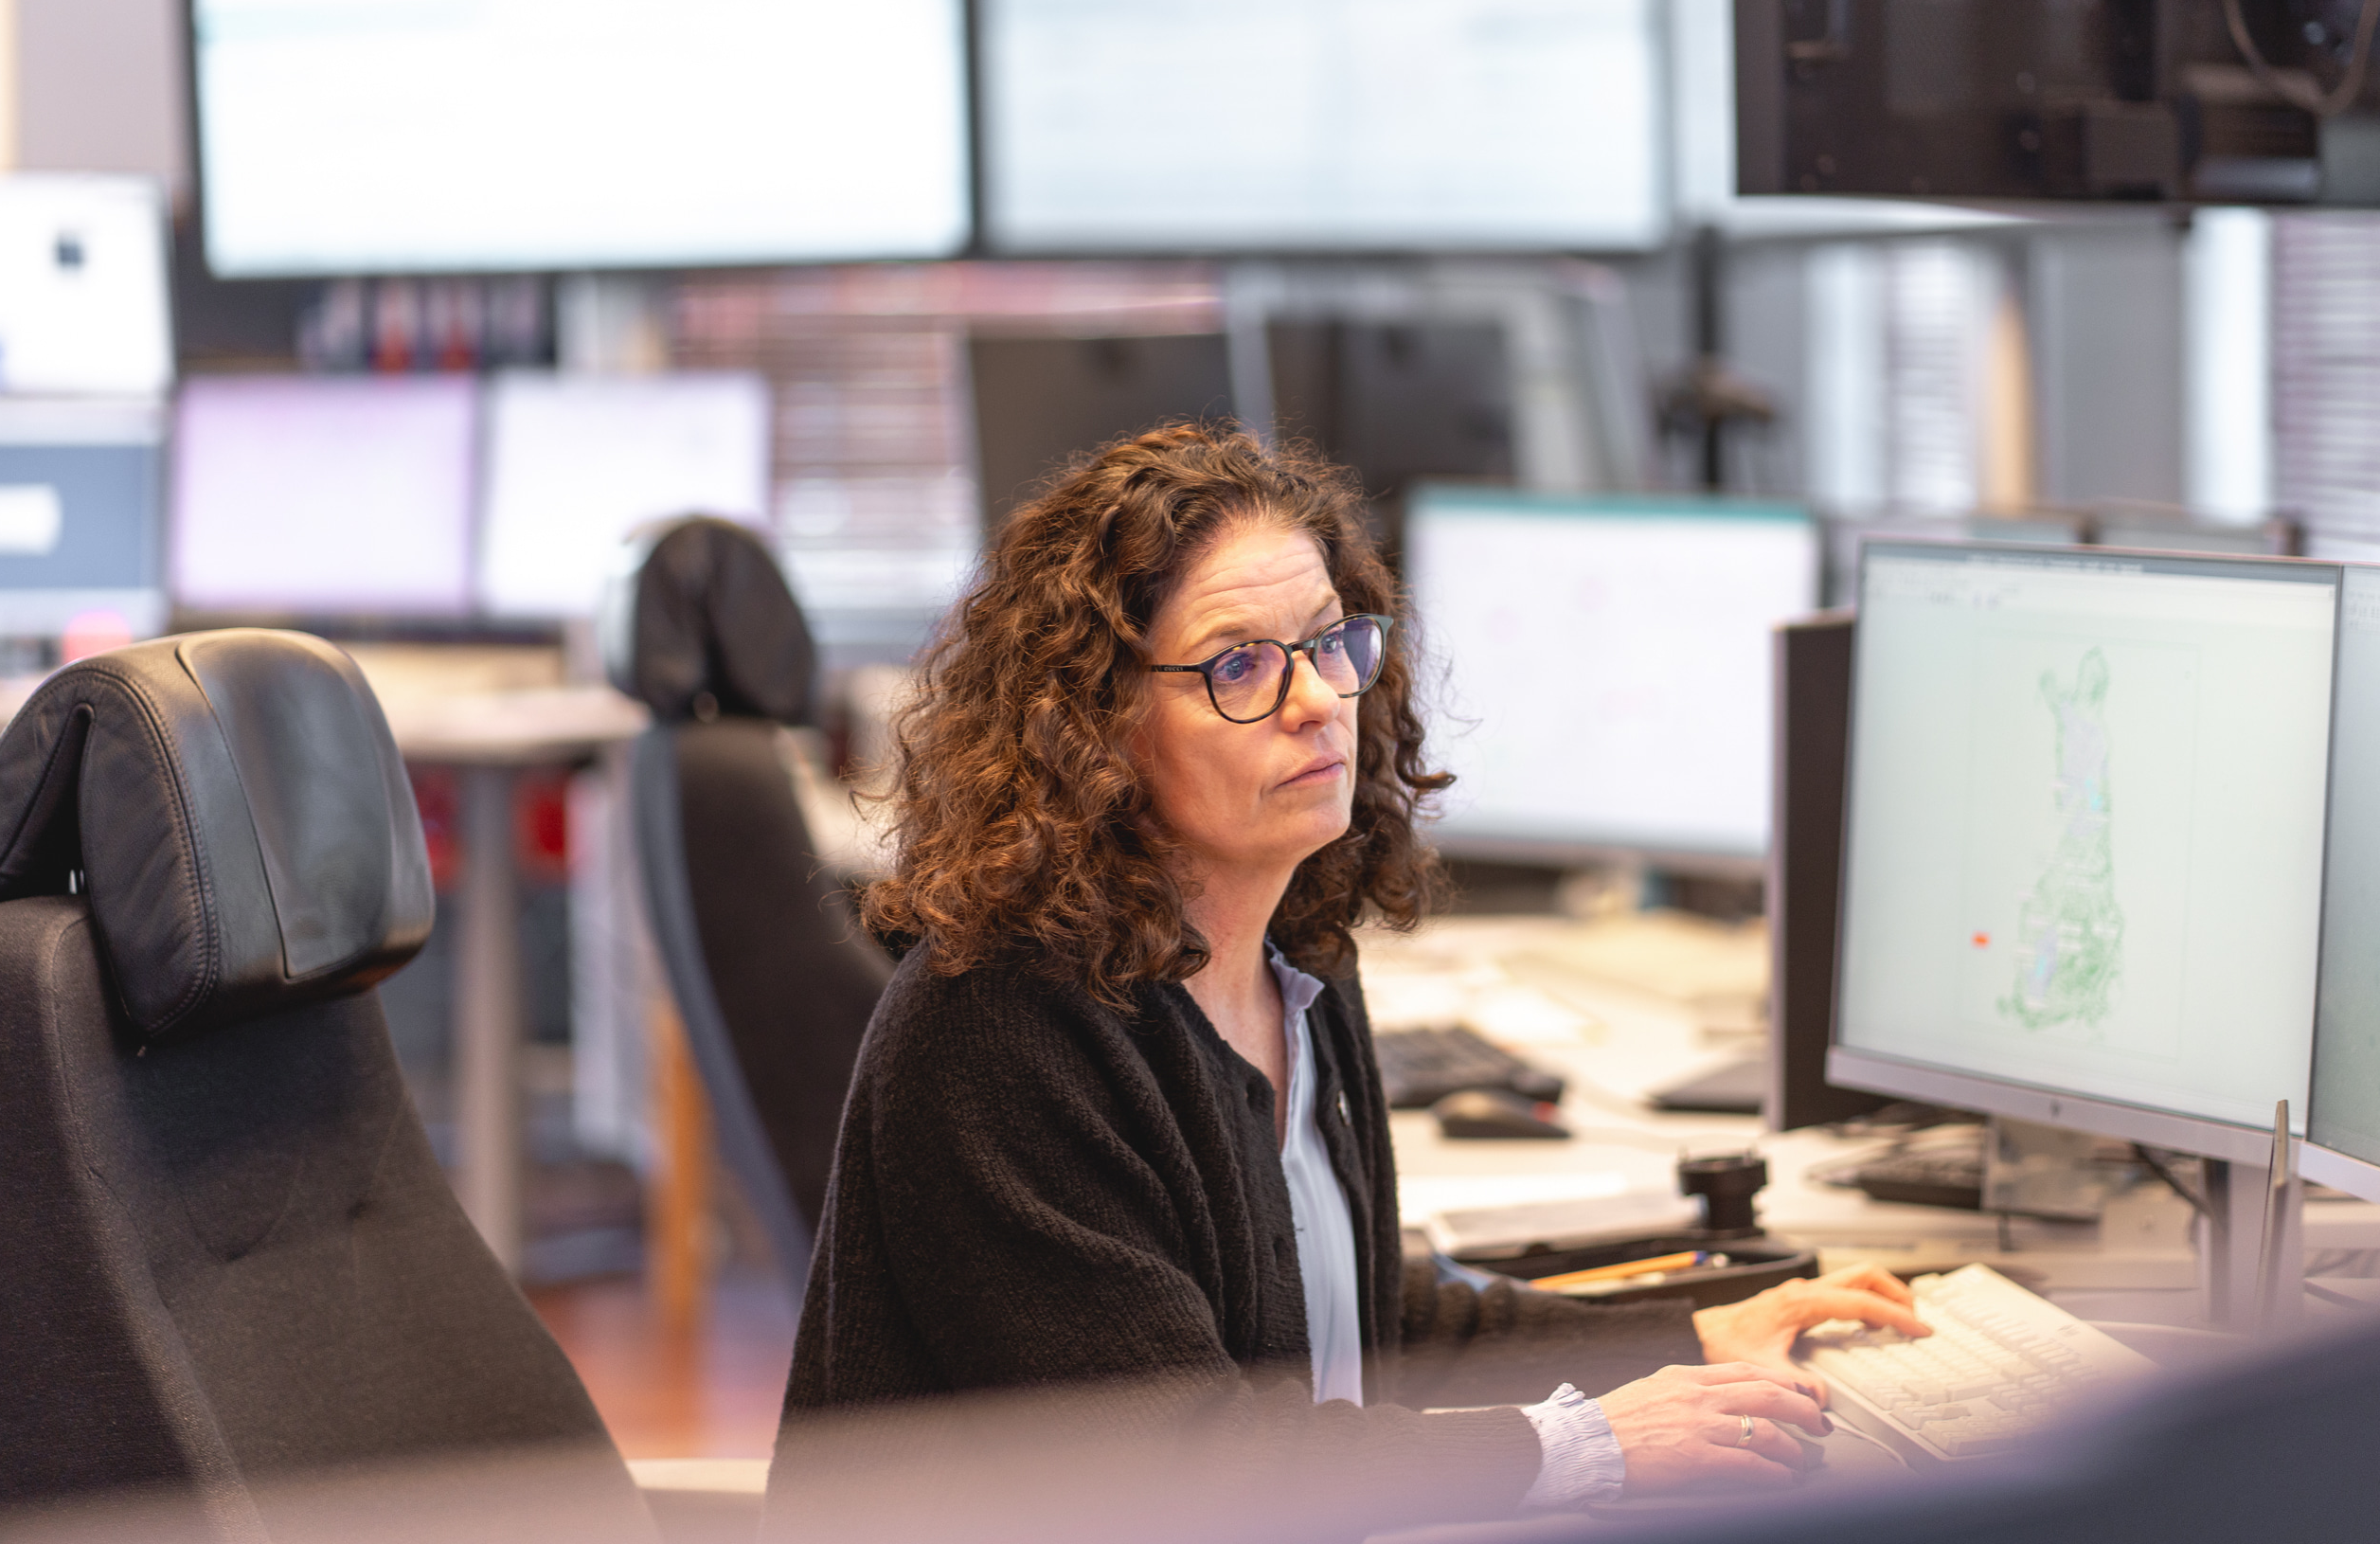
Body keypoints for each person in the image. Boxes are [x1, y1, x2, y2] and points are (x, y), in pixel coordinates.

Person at [772, 424, 1928, 1523]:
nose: (1319, 699)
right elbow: (1179, 1470)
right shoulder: (999, 1030)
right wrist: (1585, 1448)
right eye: (1240, 667)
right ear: (1095, 722)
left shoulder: (1297, 963)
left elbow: (1365, 1315)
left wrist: (1685, 1338)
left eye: (1332, 642)